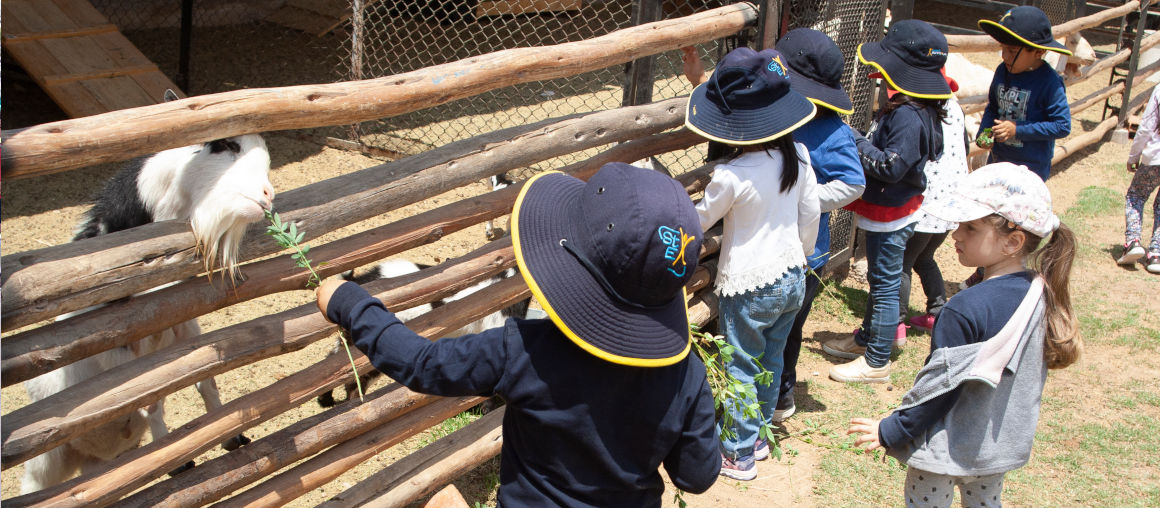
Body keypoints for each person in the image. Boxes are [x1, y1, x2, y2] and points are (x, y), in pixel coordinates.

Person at [315, 162, 721, 506]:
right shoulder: (685, 374)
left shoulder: (525, 349)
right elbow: (696, 475)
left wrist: (351, 303)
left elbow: (421, 364)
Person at [846, 162, 1082, 508]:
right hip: (994, 447)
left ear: (1013, 242)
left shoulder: (964, 309)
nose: (955, 235)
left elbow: (938, 389)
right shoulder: (1041, 292)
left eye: (970, 228)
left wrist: (890, 430)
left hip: (944, 448)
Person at [685, 46, 820, 480]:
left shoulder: (731, 175)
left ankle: (738, 453)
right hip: (793, 274)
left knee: (740, 364)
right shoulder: (798, 155)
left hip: (750, 283)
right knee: (771, 358)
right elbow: (811, 212)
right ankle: (759, 436)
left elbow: (701, 218)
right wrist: (802, 252)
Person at [820, 19, 951, 383]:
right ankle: (867, 339)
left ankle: (877, 360)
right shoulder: (910, 108)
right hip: (891, 209)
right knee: (882, 281)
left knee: (884, 284)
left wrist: (853, 142)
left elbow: (890, 166)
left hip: (891, 213)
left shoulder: (909, 115)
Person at [768, 28, 867, 420]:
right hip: (764, 241)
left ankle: (781, 394)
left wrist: (806, 198)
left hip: (806, 252)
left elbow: (854, 184)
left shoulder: (831, 130)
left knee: (789, 328)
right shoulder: (776, 112)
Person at [901, 70, 971, 333]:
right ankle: (937, 311)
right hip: (950, 198)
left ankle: (895, 323)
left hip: (926, 201)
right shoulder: (954, 106)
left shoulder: (919, 107)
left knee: (903, 263)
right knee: (924, 255)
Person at [975, 5, 1073, 182]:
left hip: (1031, 168)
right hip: (998, 159)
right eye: (1002, 48)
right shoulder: (1002, 71)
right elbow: (994, 106)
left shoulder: (1050, 82)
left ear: (1038, 52)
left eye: (1012, 51)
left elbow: (1062, 125)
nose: (1004, 56)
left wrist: (1017, 130)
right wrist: (985, 132)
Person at [1119, 84, 1160, 273]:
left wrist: (1133, 156)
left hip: (1155, 159)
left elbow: (1146, 127)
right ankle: (1156, 253)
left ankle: (1133, 241)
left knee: (1136, 196)